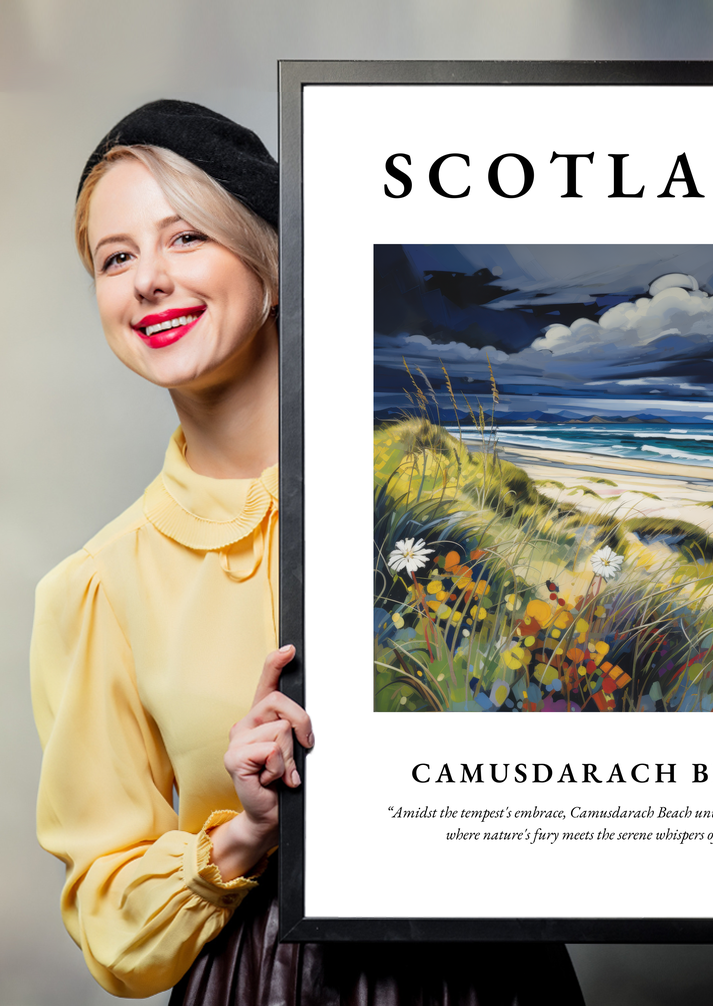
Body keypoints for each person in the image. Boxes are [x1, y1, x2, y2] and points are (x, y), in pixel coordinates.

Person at [30, 100, 585, 1004]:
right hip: (264, 981)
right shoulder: (97, 586)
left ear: (273, 263)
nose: (149, 281)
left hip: (490, 972)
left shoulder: (452, 493)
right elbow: (110, 923)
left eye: (186, 237)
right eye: (115, 258)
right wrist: (246, 833)